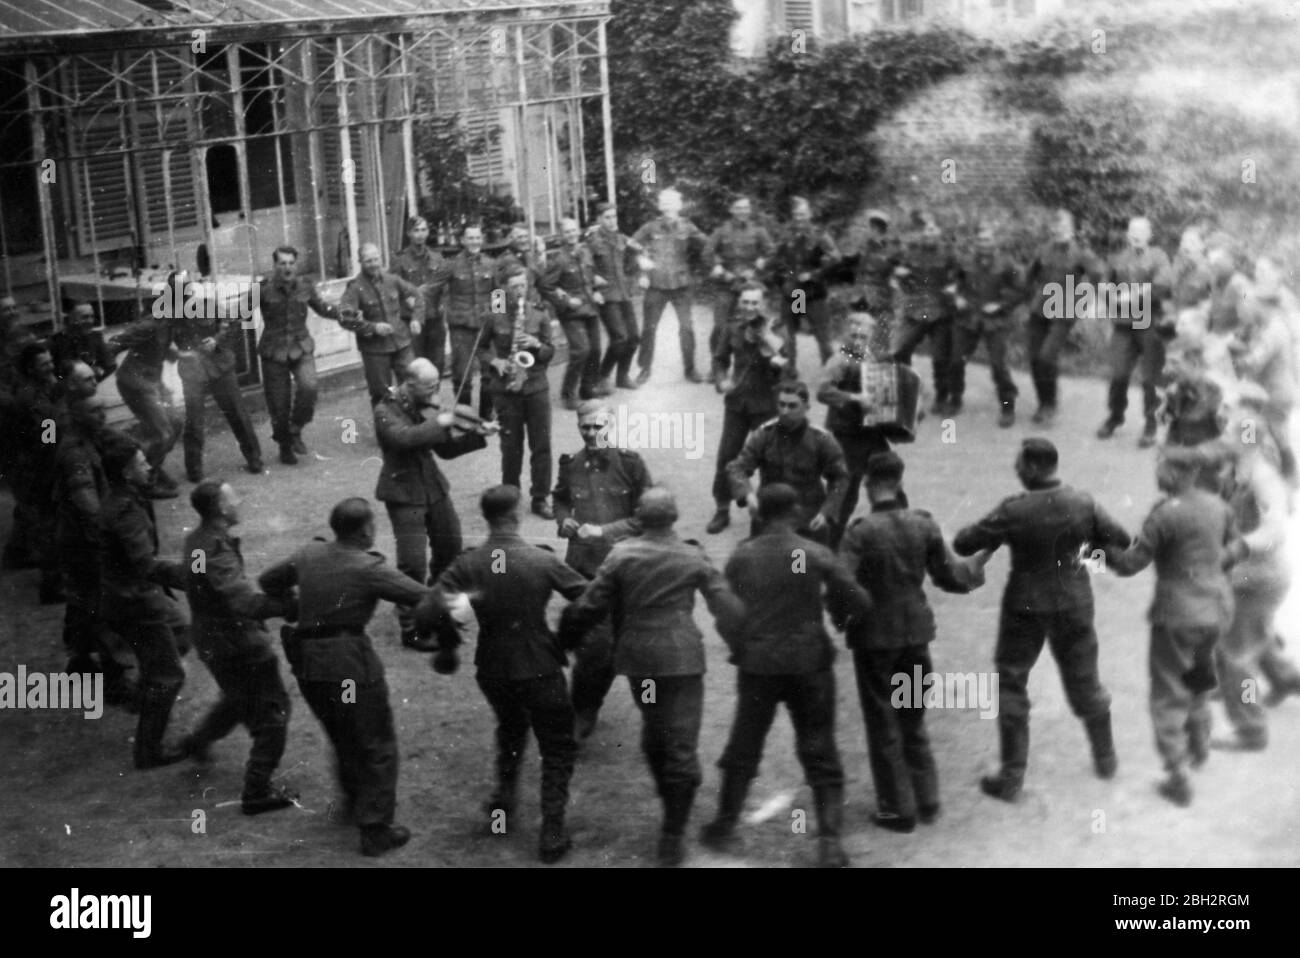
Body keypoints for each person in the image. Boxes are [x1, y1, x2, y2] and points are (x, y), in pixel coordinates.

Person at [559, 488, 744, 866]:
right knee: (680, 741)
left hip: (640, 663)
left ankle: (672, 799)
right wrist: (741, 643)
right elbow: (726, 606)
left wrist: (564, 640)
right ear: (674, 518)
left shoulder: (622, 555)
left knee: (655, 730)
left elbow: (590, 606)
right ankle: (673, 830)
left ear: (640, 518)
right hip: (682, 662)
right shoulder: (693, 554)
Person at [702, 483, 872, 867]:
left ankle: (725, 826)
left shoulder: (743, 556)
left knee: (744, 746)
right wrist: (837, 616)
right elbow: (858, 599)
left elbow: (725, 609)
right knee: (820, 748)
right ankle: (830, 844)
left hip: (759, 664)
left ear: (759, 513)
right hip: (810, 663)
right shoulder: (815, 553)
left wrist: (740, 644)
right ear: (795, 512)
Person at [418, 485, 590, 863]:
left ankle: (504, 801)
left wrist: (448, 639)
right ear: (515, 516)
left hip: (493, 667)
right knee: (557, 746)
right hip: (540, 665)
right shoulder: (540, 560)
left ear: (487, 518)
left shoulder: (468, 563)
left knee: (510, 728)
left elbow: (426, 612)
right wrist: (567, 636)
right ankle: (551, 830)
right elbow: (591, 599)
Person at [953, 438, 1131, 801]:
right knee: (1085, 681)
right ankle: (1106, 758)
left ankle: (1012, 777)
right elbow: (1122, 539)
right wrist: (1082, 549)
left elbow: (963, 543)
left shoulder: (1014, 509)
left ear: (1033, 467)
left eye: (1020, 463)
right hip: (1075, 602)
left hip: (1025, 606)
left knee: (1011, 683)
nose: (1017, 469)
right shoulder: (1083, 502)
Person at [258, 497, 430, 856]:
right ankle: (375, 828)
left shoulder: (308, 554)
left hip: (308, 666)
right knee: (375, 742)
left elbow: (268, 579)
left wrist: (294, 602)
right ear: (366, 529)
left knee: (341, 732)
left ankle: (354, 799)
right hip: (349, 671)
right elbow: (424, 598)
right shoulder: (369, 567)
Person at [841, 452, 989, 830]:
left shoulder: (860, 532)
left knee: (882, 721)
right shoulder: (923, 525)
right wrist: (975, 570)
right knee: (912, 718)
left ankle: (897, 809)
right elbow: (951, 576)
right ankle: (928, 800)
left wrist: (843, 619)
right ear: (900, 482)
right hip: (916, 635)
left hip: (875, 640)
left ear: (868, 486)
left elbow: (843, 586)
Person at [1105, 447, 1242, 806]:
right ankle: (1200, 745)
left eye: (1162, 467)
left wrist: (1097, 550)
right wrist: (1212, 565)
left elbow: (1130, 563)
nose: (1157, 473)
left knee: (1167, 693)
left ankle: (1177, 773)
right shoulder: (1219, 506)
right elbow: (1238, 547)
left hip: (1177, 615)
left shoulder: (1164, 514)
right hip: (1215, 610)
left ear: (1177, 473)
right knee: (1199, 676)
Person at [179, 480, 298, 814]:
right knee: (272, 709)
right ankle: (257, 790)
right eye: (235, 499)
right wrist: (288, 607)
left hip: (211, 639)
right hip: (237, 642)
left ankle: (198, 740)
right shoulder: (215, 548)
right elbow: (242, 600)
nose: (240, 502)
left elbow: (199, 583)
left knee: (237, 695)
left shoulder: (197, 540)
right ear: (220, 508)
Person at [373, 358, 496, 649]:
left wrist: (478, 434)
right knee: (412, 564)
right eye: (429, 387)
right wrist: (441, 421)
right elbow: (403, 439)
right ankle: (410, 628)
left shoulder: (426, 405)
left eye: (437, 385)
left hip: (433, 486)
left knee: (450, 549)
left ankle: (434, 608)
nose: (434, 392)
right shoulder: (384, 408)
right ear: (410, 382)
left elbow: (445, 451)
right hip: (402, 492)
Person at [552, 401, 653, 739]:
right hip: (587, 570)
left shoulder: (630, 464)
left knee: (637, 645)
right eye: (585, 427)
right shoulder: (571, 464)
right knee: (594, 648)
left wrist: (605, 531)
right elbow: (561, 497)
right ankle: (584, 709)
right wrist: (563, 518)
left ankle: (655, 714)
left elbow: (648, 516)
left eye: (598, 427)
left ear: (610, 425)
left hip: (627, 569)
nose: (591, 433)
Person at [98, 434, 189, 769]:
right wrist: (191, 578)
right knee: (168, 676)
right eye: (141, 462)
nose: (149, 465)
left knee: (180, 632)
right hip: (135, 601)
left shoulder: (122, 498)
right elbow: (146, 564)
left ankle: (141, 695)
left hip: (128, 594)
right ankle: (149, 751)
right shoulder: (125, 510)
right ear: (125, 471)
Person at [1213, 387, 1291, 751]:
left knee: (1235, 654)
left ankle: (1250, 730)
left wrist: (1244, 544)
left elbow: (1275, 527)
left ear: (1245, 439)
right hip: (1247, 573)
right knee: (1249, 636)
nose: (1222, 435)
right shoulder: (1236, 470)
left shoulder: (1263, 479)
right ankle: (1289, 679)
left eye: (1229, 431)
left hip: (1260, 577)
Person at [53, 395, 137, 706]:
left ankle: (79, 661)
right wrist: (110, 530)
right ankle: (114, 680)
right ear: (77, 417)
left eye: (104, 409)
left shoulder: (91, 439)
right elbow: (85, 498)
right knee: (101, 606)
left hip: (77, 539)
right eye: (94, 411)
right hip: (83, 542)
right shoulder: (76, 453)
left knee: (82, 601)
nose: (102, 415)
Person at [705, 283, 794, 535]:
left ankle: (768, 512)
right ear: (739, 303)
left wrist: (768, 337)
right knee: (727, 455)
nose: (749, 307)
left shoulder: (777, 327)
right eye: (745, 302)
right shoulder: (732, 327)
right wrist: (721, 379)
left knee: (770, 459)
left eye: (754, 303)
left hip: (767, 404)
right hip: (737, 402)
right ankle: (722, 508)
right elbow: (719, 359)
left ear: (763, 304)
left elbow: (787, 359)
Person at [164, 272, 264, 481]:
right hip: (193, 372)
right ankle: (194, 469)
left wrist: (217, 340)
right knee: (194, 421)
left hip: (220, 366)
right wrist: (181, 353)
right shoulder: (168, 315)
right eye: (178, 288)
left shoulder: (207, 303)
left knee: (237, 412)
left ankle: (254, 457)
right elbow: (163, 346)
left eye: (187, 286)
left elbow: (231, 325)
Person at [725, 380, 850, 546]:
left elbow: (840, 478)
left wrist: (826, 512)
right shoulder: (764, 434)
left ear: (806, 407)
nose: (785, 411)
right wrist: (748, 495)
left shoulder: (821, 439)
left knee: (799, 568)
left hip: (806, 518)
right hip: (769, 516)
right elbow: (736, 467)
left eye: (792, 406)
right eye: (781, 404)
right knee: (767, 566)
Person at [816, 309, 896, 549]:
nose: (859, 340)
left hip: (869, 433)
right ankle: (828, 544)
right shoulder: (839, 360)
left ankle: (891, 535)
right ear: (846, 334)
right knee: (843, 492)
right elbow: (822, 391)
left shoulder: (871, 358)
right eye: (855, 335)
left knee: (888, 476)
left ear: (871, 335)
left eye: (864, 335)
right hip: (846, 435)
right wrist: (853, 398)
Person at [255, 245, 341, 465]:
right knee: (279, 405)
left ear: (296, 264)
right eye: (282, 263)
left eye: (291, 263)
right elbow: (239, 312)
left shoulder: (305, 286)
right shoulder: (262, 289)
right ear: (275, 266)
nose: (287, 267)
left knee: (309, 387)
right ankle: (284, 445)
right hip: (274, 351)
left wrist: (344, 314)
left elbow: (322, 308)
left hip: (300, 346)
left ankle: (295, 429)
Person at [1097, 217, 1174, 448]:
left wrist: (1132, 295)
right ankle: (1115, 416)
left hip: (1149, 323)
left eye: (1141, 232)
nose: (1136, 236)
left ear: (1150, 235)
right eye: (1132, 231)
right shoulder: (1118, 256)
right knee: (1119, 373)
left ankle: (1151, 424)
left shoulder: (1159, 256)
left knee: (1150, 378)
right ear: (1127, 235)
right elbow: (1103, 283)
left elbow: (1162, 286)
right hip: (1123, 324)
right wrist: (1109, 295)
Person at [1023, 209, 1103, 426]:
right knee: (1034, 358)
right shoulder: (1043, 250)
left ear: (1072, 230)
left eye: (1065, 227)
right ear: (1051, 229)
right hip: (1040, 309)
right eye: (1056, 227)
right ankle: (1043, 402)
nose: (1060, 231)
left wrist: (1085, 303)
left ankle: (1050, 405)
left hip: (1064, 311)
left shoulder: (1081, 254)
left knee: (1047, 357)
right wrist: (1026, 297)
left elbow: (1098, 277)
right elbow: (1028, 276)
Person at [486, 267, 555, 518]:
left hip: (536, 386)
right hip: (506, 389)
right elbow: (481, 349)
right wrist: (496, 362)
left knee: (541, 445)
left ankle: (540, 497)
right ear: (504, 288)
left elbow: (550, 351)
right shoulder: (495, 314)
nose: (518, 291)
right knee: (511, 446)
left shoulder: (539, 313)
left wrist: (536, 344)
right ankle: (510, 497)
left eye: (522, 286)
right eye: (513, 286)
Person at [950, 222, 1022, 426]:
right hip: (967, 318)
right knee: (956, 361)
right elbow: (951, 283)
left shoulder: (1007, 264)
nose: (984, 243)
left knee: (999, 366)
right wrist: (956, 297)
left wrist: (1000, 305)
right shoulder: (964, 262)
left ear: (995, 242)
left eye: (988, 239)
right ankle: (955, 399)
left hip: (994, 321)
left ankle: (1008, 406)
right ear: (975, 242)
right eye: (981, 240)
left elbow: (1021, 289)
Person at [632, 188, 707, 384]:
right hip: (656, 284)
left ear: (679, 205)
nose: (668, 207)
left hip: (681, 285)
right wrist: (642, 264)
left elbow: (707, 245)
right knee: (649, 328)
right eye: (664, 203)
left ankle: (690, 368)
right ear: (659, 206)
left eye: (672, 203)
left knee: (687, 328)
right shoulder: (650, 227)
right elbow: (632, 245)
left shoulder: (687, 226)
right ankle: (644, 369)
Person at [10, 342, 65, 602]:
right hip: (36, 470)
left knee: (35, 519)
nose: (51, 366)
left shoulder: (41, 388)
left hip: (35, 466)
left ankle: (17, 555)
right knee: (48, 526)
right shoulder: (32, 399)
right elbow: (47, 439)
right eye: (45, 364)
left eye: (51, 361)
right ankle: (52, 586)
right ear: (31, 369)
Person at [106, 311, 181, 497]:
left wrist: (173, 352)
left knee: (176, 422)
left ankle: (151, 465)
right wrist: (100, 369)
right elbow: (114, 343)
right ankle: (147, 484)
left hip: (153, 381)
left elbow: (164, 349)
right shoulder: (149, 325)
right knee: (163, 433)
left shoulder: (173, 322)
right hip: (136, 383)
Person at [890, 214, 960, 413]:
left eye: (932, 230)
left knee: (940, 358)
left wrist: (954, 288)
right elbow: (902, 279)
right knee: (901, 350)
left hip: (941, 311)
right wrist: (901, 278)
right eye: (926, 230)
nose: (929, 234)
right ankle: (908, 390)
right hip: (915, 310)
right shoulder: (911, 254)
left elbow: (959, 279)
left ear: (938, 233)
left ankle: (941, 397)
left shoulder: (949, 255)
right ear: (922, 234)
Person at [340, 242, 423, 402]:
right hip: (375, 349)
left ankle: (413, 425)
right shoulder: (355, 288)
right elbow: (345, 318)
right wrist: (373, 327)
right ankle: (386, 426)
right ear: (360, 263)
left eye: (376, 259)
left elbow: (417, 296)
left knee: (412, 387)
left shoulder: (392, 280)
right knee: (382, 395)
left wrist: (416, 318)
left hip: (401, 343)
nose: (373, 265)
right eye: (368, 261)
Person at [704, 194, 773, 377]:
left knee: (755, 323)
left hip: (750, 285)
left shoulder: (759, 231)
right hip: (727, 284)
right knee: (720, 326)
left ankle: (753, 365)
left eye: (746, 208)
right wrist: (718, 267)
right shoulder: (721, 231)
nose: (743, 211)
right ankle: (717, 366)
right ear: (731, 210)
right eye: (739, 208)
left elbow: (771, 252)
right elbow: (707, 252)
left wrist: (761, 263)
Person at [435, 224, 499, 418]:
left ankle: (486, 413)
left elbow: (499, 293)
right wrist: (444, 309)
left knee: (490, 372)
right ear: (463, 241)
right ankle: (465, 416)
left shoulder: (491, 264)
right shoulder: (451, 265)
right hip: (461, 328)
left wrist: (498, 318)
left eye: (477, 237)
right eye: (470, 238)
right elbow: (434, 289)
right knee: (462, 375)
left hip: (486, 328)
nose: (474, 242)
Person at [542, 217, 607, 408]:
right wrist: (567, 300)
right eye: (567, 232)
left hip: (590, 308)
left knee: (595, 349)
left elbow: (588, 277)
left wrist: (596, 290)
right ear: (562, 235)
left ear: (578, 231)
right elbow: (546, 286)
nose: (571, 235)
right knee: (581, 350)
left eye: (573, 231)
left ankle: (588, 388)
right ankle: (568, 393)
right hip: (572, 312)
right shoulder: (558, 259)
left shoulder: (585, 251)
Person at [771, 196, 839, 366]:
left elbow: (836, 258)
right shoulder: (787, 235)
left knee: (823, 337)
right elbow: (777, 257)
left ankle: (831, 377)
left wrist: (814, 274)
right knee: (789, 333)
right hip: (796, 294)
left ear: (809, 214)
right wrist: (788, 275)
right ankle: (789, 372)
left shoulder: (819, 235)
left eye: (802, 214)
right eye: (796, 214)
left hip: (813, 293)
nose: (799, 218)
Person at [586, 202, 642, 391]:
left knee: (634, 337)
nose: (611, 221)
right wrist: (593, 286)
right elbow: (584, 267)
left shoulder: (621, 239)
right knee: (619, 337)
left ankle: (622, 376)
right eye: (607, 217)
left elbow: (630, 264)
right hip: (607, 295)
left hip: (623, 292)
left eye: (614, 217)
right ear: (599, 220)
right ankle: (602, 376)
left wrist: (635, 254)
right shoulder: (593, 241)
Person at [393, 216, 448, 372]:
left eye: (423, 230)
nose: (420, 234)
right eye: (416, 230)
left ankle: (435, 396)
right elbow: (392, 289)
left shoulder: (437, 257)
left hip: (434, 319)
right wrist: (405, 300)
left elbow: (444, 286)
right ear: (409, 233)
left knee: (438, 364)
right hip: (412, 321)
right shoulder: (399, 260)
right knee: (416, 367)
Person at [855, 209, 900, 357]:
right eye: (870, 227)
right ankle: (856, 373)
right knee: (859, 338)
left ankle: (881, 371)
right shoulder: (866, 248)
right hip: (864, 299)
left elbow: (896, 279)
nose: (870, 231)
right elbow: (860, 273)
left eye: (873, 228)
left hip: (882, 301)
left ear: (879, 229)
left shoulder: (892, 250)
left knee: (880, 341)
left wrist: (894, 303)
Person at [49, 302, 116, 383]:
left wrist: (94, 382)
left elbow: (110, 366)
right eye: (85, 317)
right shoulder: (56, 341)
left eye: (92, 316)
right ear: (71, 319)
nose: (90, 321)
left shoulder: (95, 337)